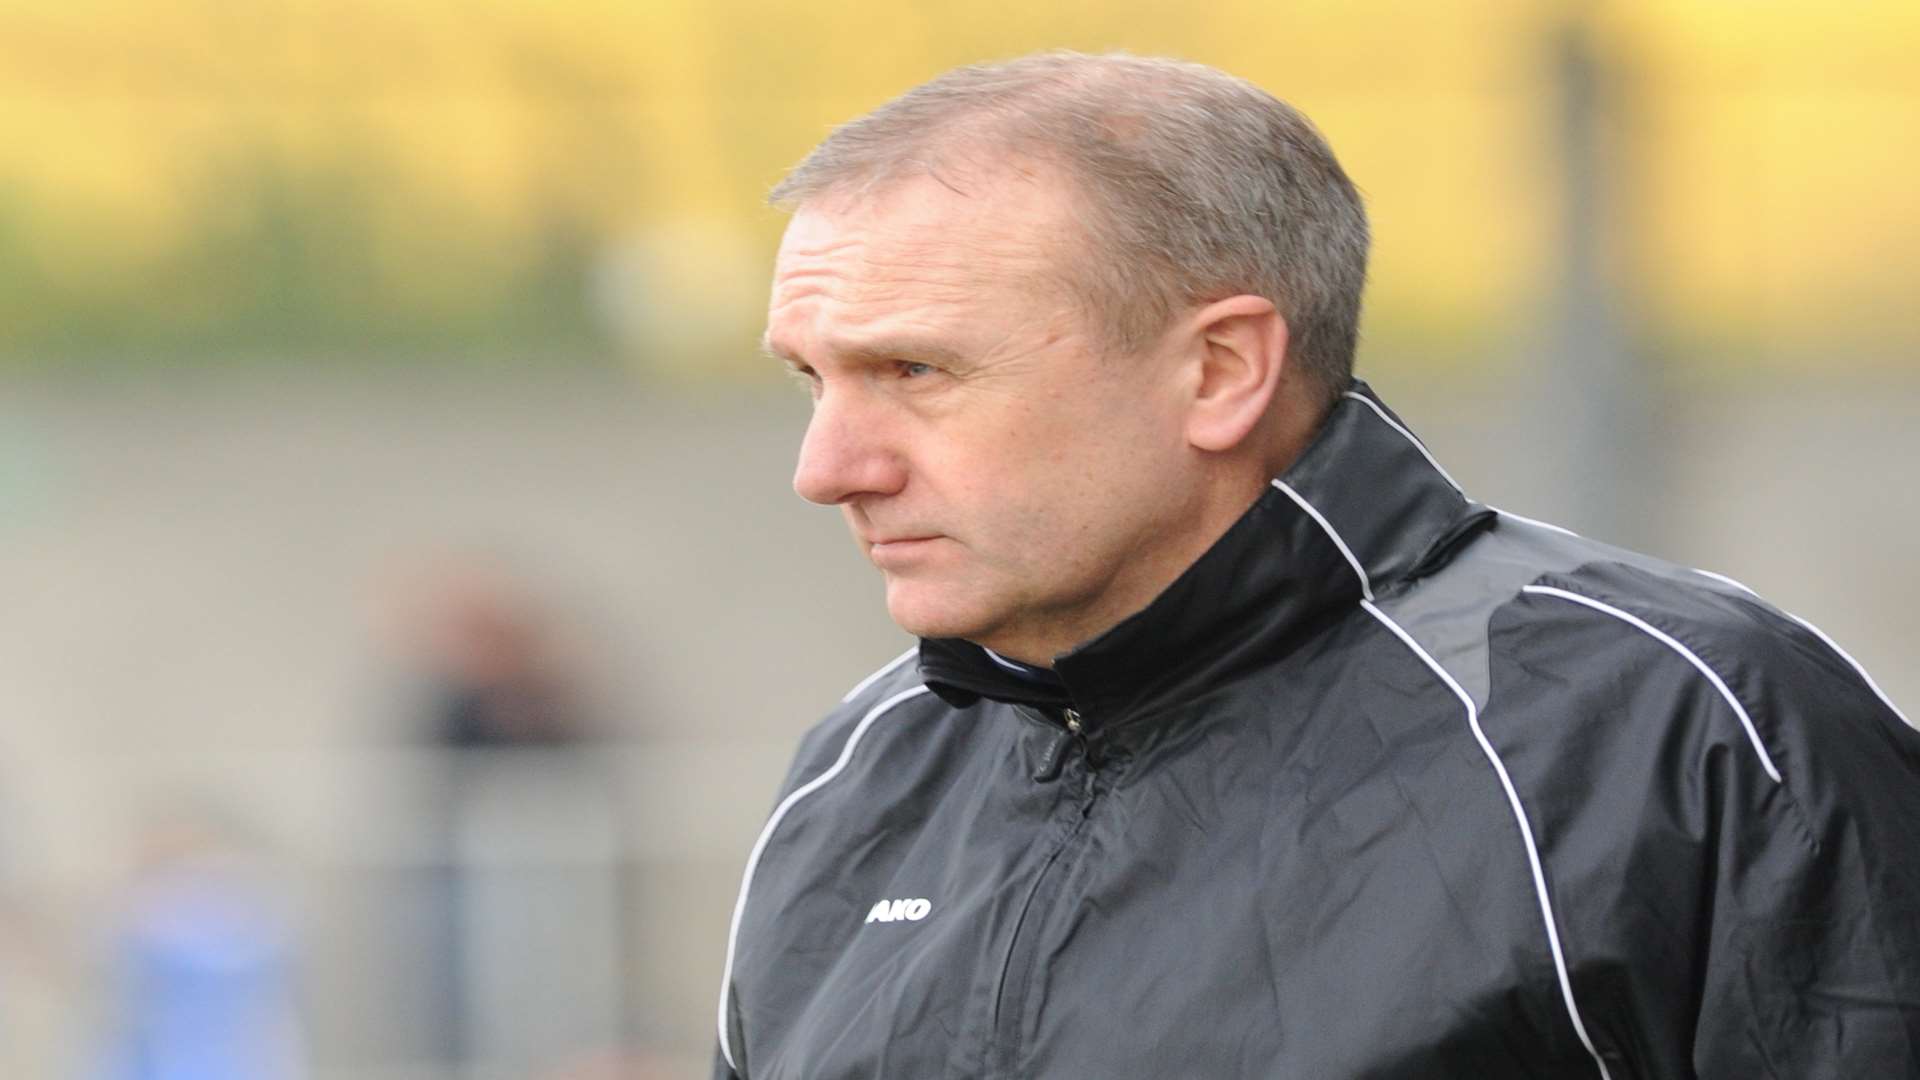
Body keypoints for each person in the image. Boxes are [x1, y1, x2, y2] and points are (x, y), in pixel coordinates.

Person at [714, 52, 1920, 1079]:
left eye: (915, 373)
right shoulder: (856, 772)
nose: (828, 468)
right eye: (812, 379)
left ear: (1223, 370)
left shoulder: (1678, 729)